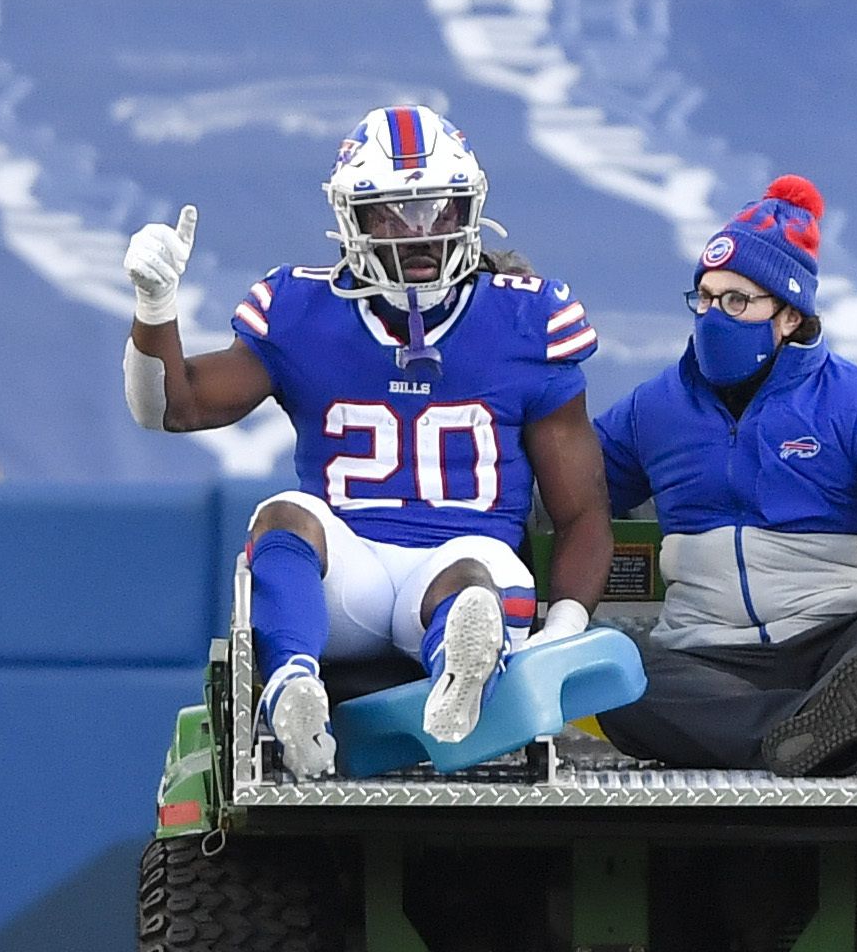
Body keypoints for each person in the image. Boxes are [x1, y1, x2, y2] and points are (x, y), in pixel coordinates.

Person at [120, 105, 612, 778]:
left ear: (469, 209)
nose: (418, 234)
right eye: (391, 213)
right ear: (351, 218)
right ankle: (294, 684)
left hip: (467, 562)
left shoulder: (526, 319)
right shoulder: (303, 312)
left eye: (437, 210)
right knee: (283, 516)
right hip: (347, 573)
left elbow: (582, 512)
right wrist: (155, 308)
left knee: (472, 584)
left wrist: (564, 631)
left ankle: (458, 678)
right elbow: (172, 408)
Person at [592, 176, 857, 777]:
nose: (713, 315)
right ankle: (815, 735)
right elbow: (567, 489)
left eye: (737, 300)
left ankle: (823, 723)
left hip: (842, 644)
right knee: (606, 669)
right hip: (708, 659)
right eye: (704, 295)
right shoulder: (654, 408)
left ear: (790, 315)